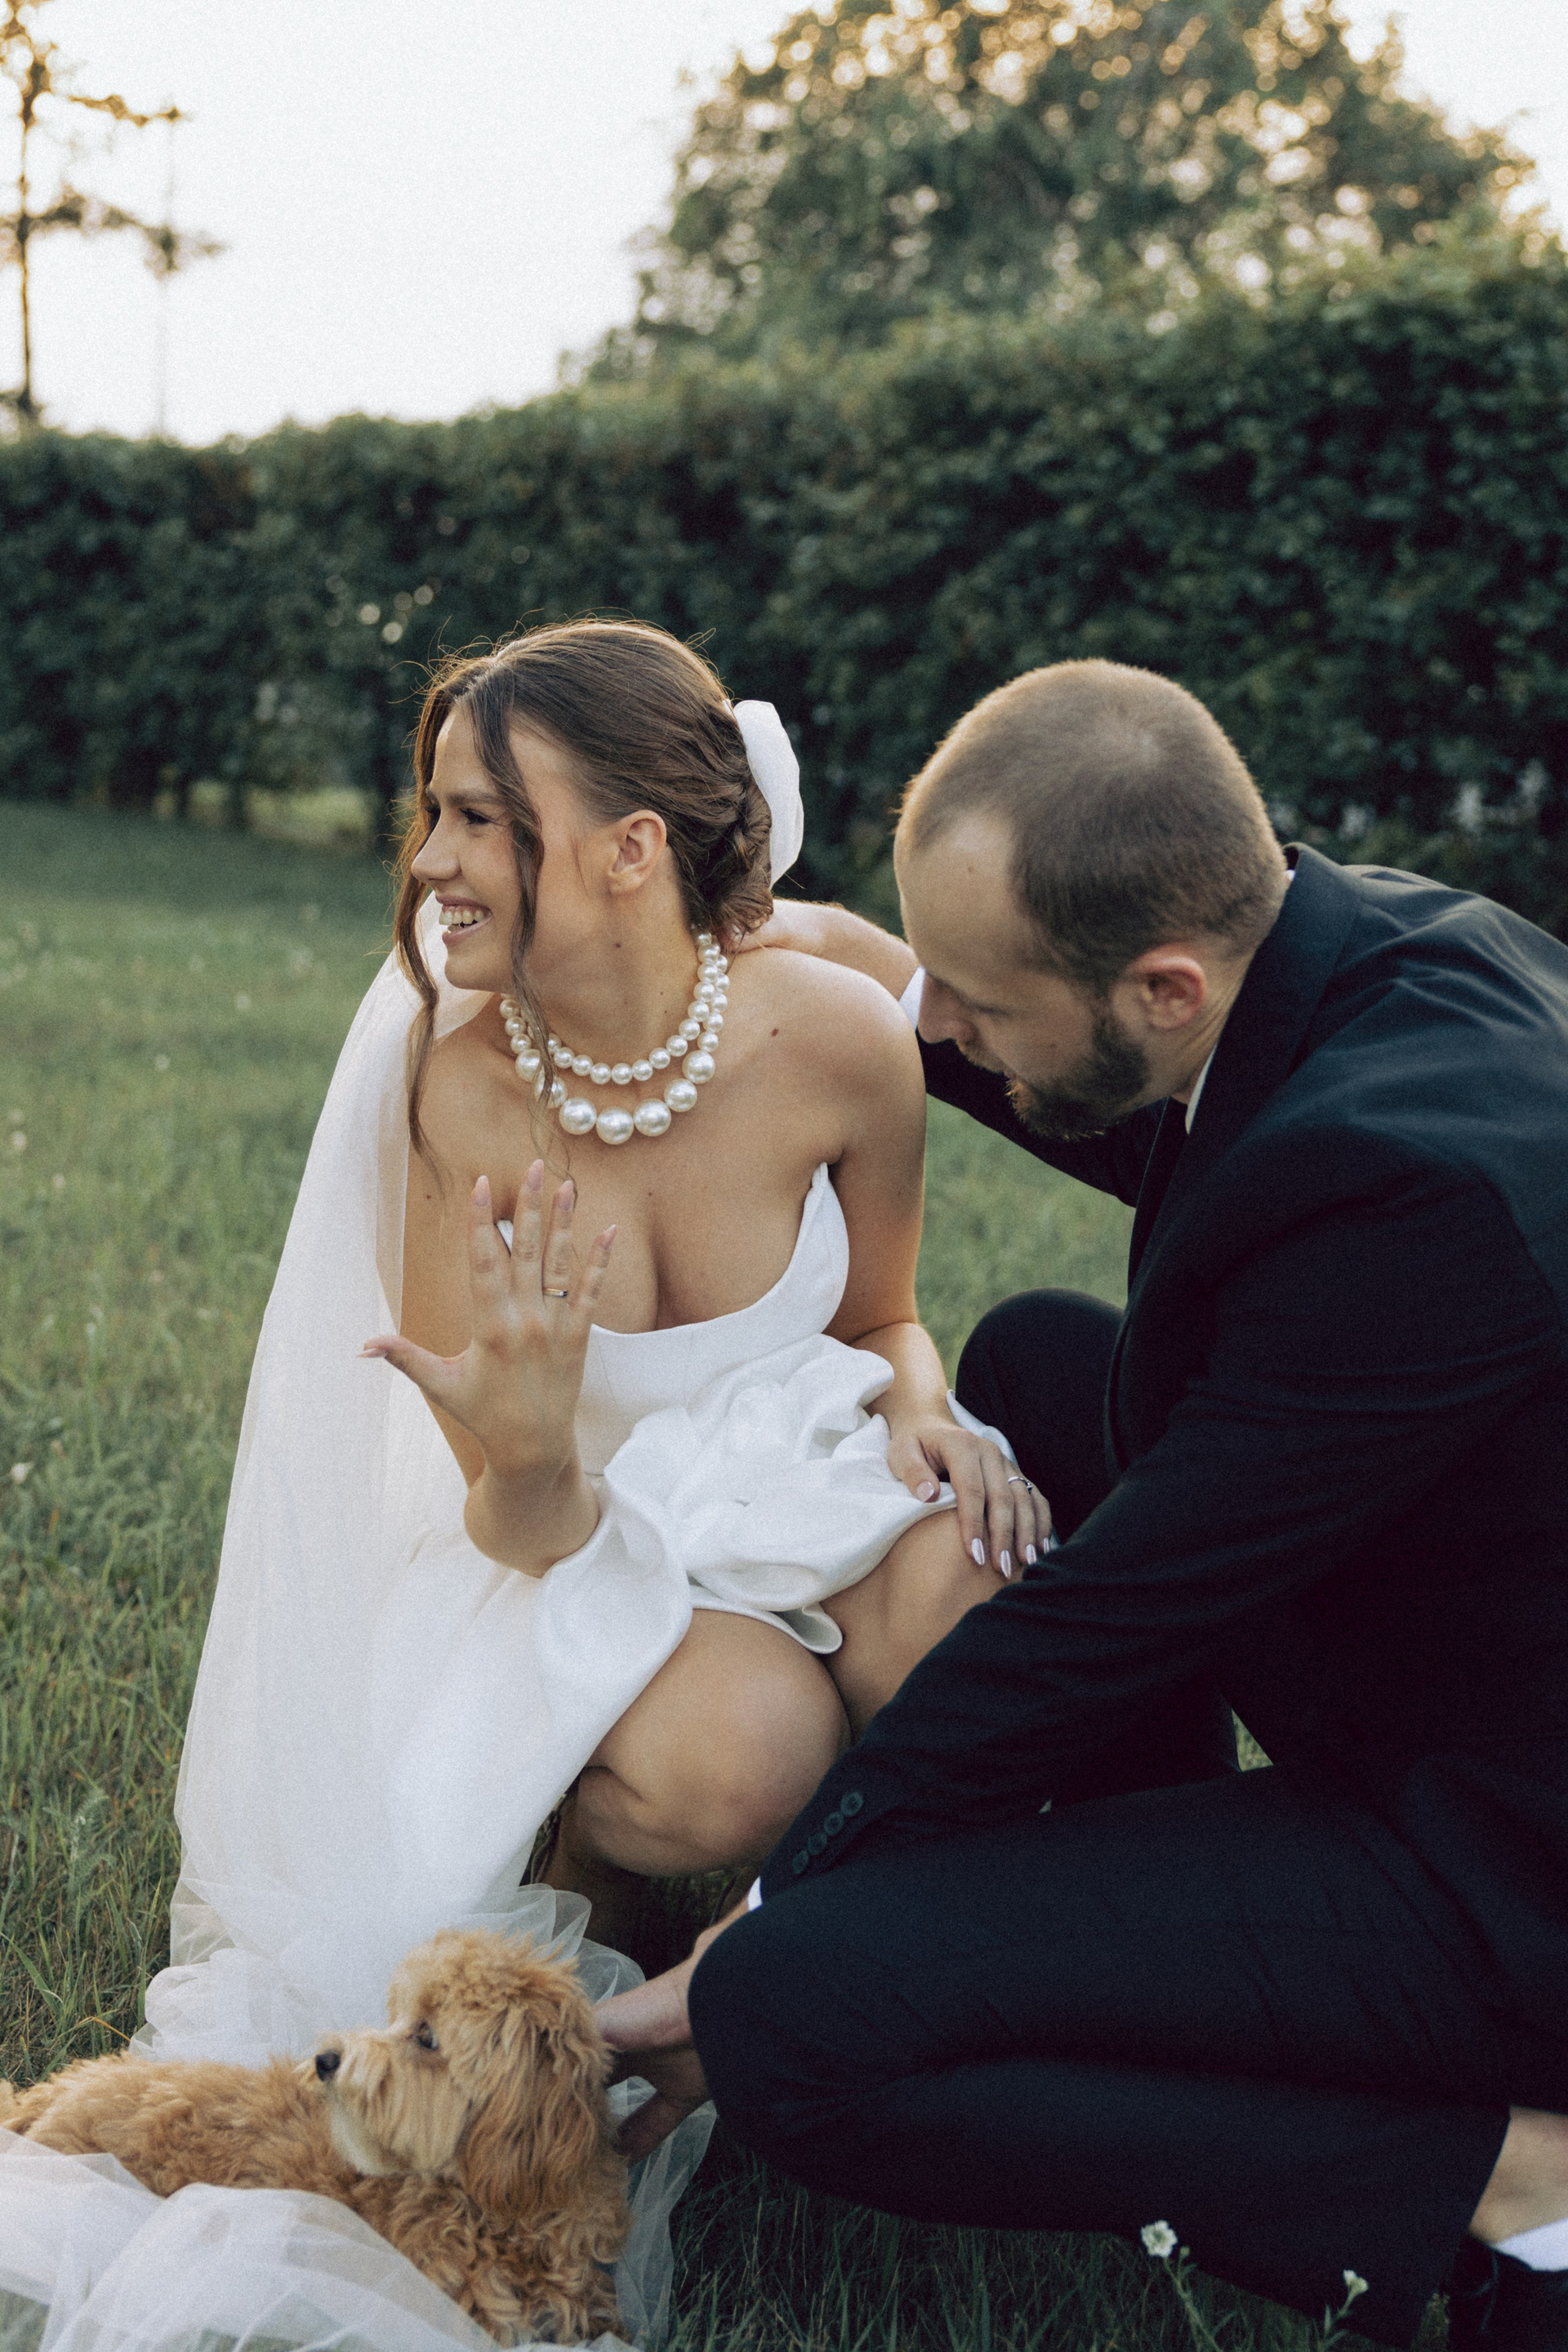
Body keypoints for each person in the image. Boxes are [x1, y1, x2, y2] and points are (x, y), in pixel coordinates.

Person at [0, 620, 1038, 2344]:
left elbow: (884, 1312)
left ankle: (920, 2010)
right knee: (747, 1759)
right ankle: (605, 1872)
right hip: (574, 1544)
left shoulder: (846, 1039)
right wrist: (541, 1441)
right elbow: (506, 1509)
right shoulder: (463, 1089)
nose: (430, 861)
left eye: (482, 819)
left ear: (632, 849)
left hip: (793, 1478)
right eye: (436, 813)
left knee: (977, 1601)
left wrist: (925, 1403)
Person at [596, 657, 1568, 2352]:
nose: (932, 1034)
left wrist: (774, 1910)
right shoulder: (1375, 953)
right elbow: (1158, 1115)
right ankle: (1155, 1934)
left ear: (1165, 984)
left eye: (975, 998)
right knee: (1047, 1365)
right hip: (1458, 1670)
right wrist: (851, 956)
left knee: (790, 2023)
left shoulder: (1414, 1207)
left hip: (1515, 1871)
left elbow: (1104, 1624)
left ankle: (1506, 2185)